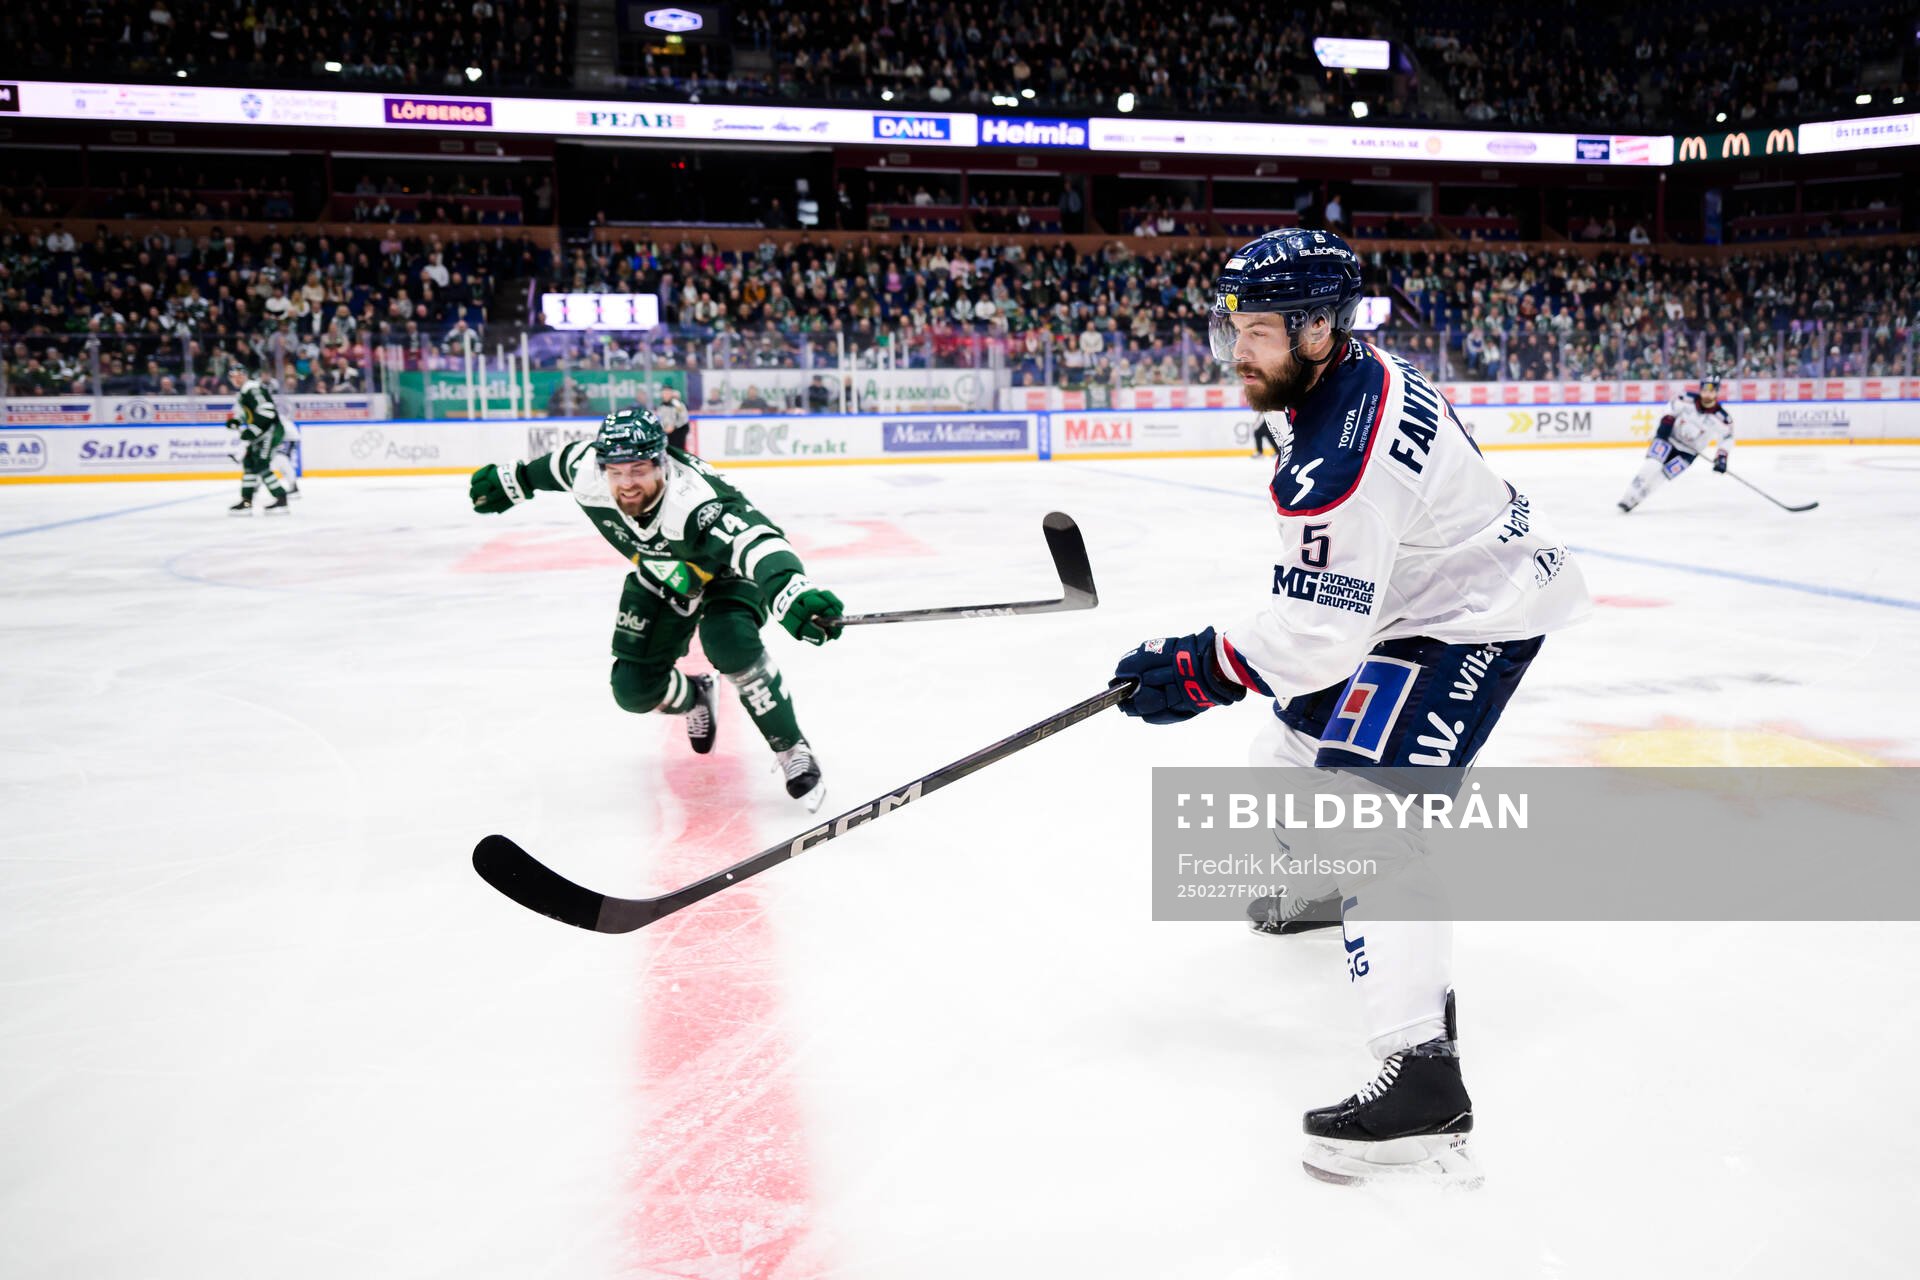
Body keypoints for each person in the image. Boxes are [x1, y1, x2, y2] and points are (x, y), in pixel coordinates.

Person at [1108, 229, 1591, 1186]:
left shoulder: (1342, 456)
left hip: (1472, 615)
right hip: (1410, 597)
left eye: (1258, 331)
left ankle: (1423, 1080)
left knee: (1365, 812)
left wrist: (1197, 666)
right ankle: (1329, 894)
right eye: (1233, 328)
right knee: (1281, 759)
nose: (1238, 350)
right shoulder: (1344, 374)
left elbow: (1314, 637)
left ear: (1321, 329)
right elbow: (1326, 608)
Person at [468, 408, 844, 809]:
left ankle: (791, 748)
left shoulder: (696, 503)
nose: (627, 484)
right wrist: (515, 481)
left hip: (725, 571)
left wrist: (789, 589)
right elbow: (551, 467)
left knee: (729, 642)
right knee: (633, 690)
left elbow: (756, 542)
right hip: (665, 573)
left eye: (639, 469)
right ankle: (696, 696)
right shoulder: (585, 470)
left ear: (662, 462)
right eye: (616, 472)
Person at [1617, 374, 1734, 512]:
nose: (1707, 394)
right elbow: (1669, 408)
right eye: (1705, 390)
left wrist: (1721, 457)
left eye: (1711, 391)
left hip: (1688, 452)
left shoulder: (1722, 418)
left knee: (1661, 477)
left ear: (1716, 392)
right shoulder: (1685, 399)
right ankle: (1628, 496)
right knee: (1651, 465)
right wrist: (1666, 421)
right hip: (1668, 439)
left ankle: (1635, 501)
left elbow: (1727, 438)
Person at [225, 365, 293, 515]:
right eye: (232, 376)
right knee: (249, 462)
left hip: (270, 432)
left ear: (244, 375)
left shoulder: (253, 389)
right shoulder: (243, 393)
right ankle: (247, 501)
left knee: (261, 464)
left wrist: (252, 431)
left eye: (237, 375)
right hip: (260, 433)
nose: (234, 379)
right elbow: (241, 413)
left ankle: (281, 499)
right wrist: (236, 421)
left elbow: (267, 412)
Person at [654, 385, 691, 452]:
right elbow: (661, 419)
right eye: (664, 393)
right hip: (667, 433)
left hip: (678, 432)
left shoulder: (677, 404)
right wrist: (664, 428)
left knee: (677, 451)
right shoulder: (661, 406)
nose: (666, 395)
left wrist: (674, 426)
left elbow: (684, 418)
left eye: (668, 393)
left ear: (671, 393)